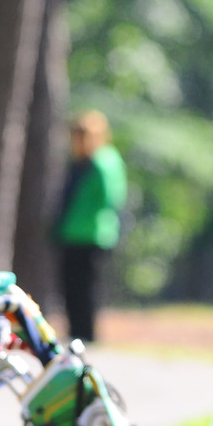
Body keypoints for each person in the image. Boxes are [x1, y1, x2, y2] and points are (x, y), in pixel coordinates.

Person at [54, 110, 128, 342]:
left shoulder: (103, 161)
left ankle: (87, 334)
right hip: (72, 234)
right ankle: (75, 332)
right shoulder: (82, 162)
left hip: (93, 234)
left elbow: (110, 198)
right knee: (70, 286)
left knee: (86, 288)